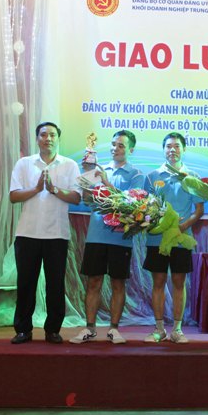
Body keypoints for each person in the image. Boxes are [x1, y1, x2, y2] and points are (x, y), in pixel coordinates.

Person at [9, 122, 81, 344]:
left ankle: (53, 330)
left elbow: (76, 198)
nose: (47, 138)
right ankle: (23, 330)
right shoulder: (24, 163)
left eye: (52, 135)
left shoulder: (69, 165)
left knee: (55, 284)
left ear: (58, 138)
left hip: (56, 234)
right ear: (37, 138)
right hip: (27, 233)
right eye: (43, 135)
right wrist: (37, 189)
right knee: (26, 284)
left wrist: (54, 189)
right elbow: (13, 196)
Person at [70, 130, 144, 345]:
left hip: (121, 238)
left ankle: (114, 329)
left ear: (131, 150)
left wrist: (106, 183)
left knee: (118, 284)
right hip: (96, 236)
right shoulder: (97, 170)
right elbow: (87, 200)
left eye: (121, 145)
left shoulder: (136, 175)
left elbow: (133, 205)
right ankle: (90, 328)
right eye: (113, 144)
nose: (115, 148)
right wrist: (86, 179)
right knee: (93, 282)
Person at [142, 132, 204, 344]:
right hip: (156, 240)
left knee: (179, 282)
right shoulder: (152, 176)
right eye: (168, 146)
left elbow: (199, 210)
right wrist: (155, 222)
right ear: (163, 150)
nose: (172, 150)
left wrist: (183, 226)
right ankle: (159, 329)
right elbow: (145, 209)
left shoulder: (191, 177)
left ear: (184, 149)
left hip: (181, 238)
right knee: (158, 281)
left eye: (177, 146)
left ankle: (177, 329)